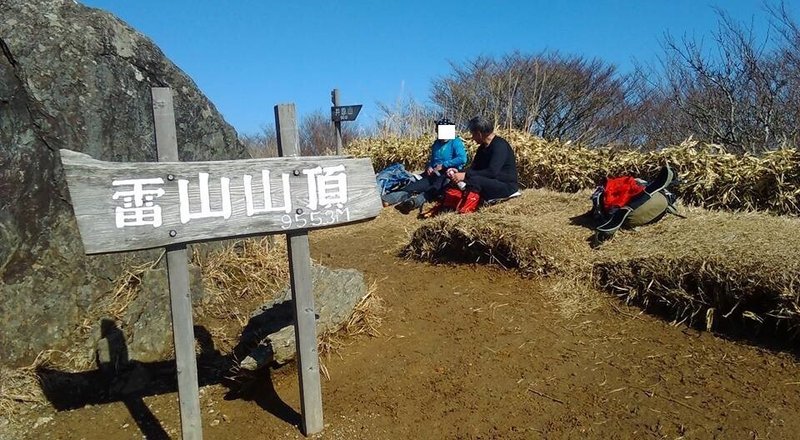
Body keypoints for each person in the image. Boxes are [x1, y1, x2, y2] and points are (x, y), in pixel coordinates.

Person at [383, 118, 468, 211]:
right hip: (433, 173)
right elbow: (433, 160)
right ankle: (389, 198)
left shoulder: (455, 142)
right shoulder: (436, 143)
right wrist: (430, 167)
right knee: (414, 186)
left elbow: (462, 159)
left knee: (434, 189)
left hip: (447, 173)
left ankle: (415, 202)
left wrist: (444, 165)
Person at [447, 116, 519, 203]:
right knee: (453, 180)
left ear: (479, 133)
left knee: (474, 180)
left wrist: (465, 176)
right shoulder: (482, 148)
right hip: (490, 181)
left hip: (505, 185)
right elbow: (474, 168)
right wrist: (458, 172)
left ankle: (472, 200)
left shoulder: (499, 145)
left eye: (473, 134)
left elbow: (492, 172)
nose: (472, 138)